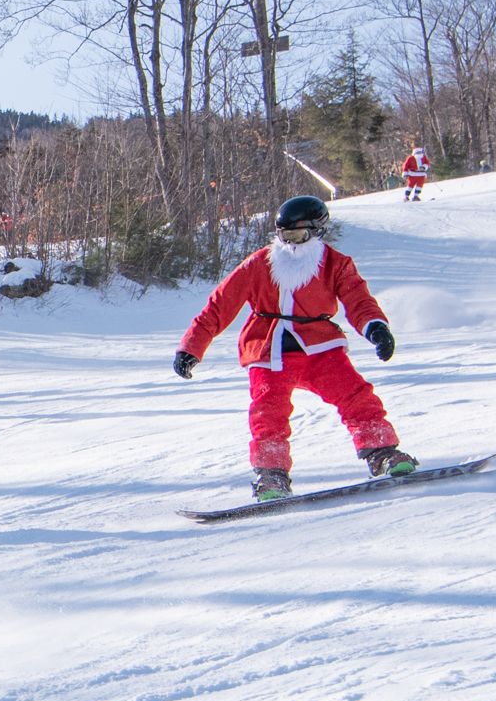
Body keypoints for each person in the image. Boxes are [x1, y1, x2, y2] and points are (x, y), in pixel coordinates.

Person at [173, 195, 417, 500]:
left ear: (317, 231)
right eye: (284, 236)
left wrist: (376, 328)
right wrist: (191, 347)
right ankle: (271, 475)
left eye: (299, 236)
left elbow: (359, 301)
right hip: (268, 350)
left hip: (320, 348)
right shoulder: (259, 264)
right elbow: (220, 305)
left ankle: (382, 453)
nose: (291, 244)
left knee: (356, 396)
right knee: (267, 411)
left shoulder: (335, 265)